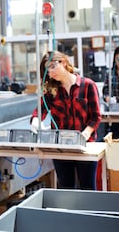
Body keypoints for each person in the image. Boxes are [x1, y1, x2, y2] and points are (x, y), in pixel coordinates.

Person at [30, 50, 101, 190]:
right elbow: (40, 110)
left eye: (52, 67)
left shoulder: (88, 85)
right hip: (61, 147)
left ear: (63, 62)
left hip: (85, 147)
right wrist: (35, 121)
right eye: (47, 71)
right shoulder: (52, 91)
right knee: (66, 189)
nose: (50, 73)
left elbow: (95, 117)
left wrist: (85, 134)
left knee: (88, 188)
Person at [102, 46, 119, 139]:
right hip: (114, 109)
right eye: (118, 58)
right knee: (115, 134)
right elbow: (105, 89)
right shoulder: (110, 73)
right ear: (114, 58)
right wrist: (107, 97)